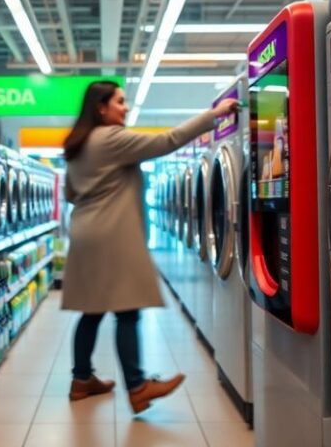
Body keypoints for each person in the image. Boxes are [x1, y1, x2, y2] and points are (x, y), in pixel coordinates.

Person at [61, 80, 239, 414]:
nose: (125, 107)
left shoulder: (78, 145)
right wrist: (213, 115)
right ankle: (138, 386)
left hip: (85, 234)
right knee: (127, 309)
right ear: (101, 108)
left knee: (92, 310)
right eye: (119, 101)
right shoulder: (110, 138)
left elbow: (70, 194)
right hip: (111, 236)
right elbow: (167, 141)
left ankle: (81, 380)